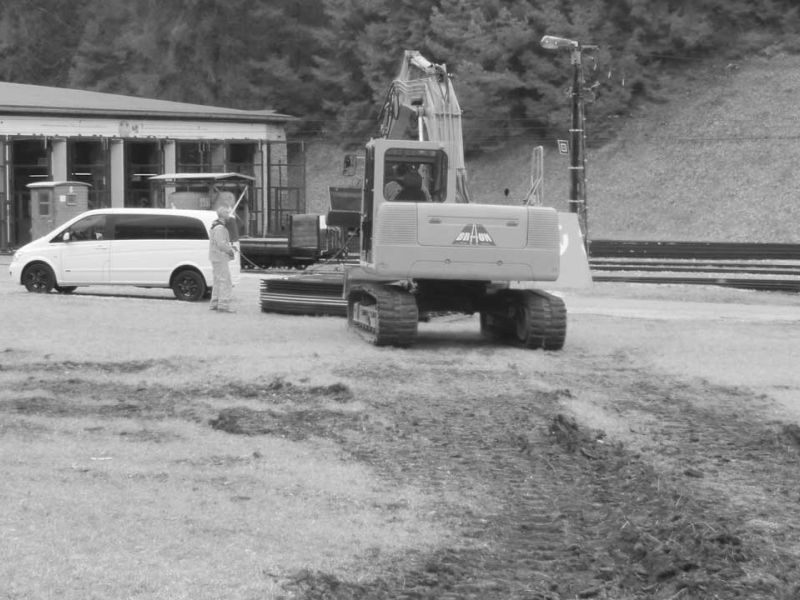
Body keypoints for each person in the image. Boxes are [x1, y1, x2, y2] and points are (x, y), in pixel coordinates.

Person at [208, 202, 237, 313]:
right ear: (223, 214)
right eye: (227, 212)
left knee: (217, 281)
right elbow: (221, 244)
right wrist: (230, 250)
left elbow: (219, 243)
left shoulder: (215, 226)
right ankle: (223, 306)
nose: (229, 214)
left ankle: (214, 304)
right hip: (220, 257)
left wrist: (229, 248)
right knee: (225, 281)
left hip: (215, 257)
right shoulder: (220, 228)